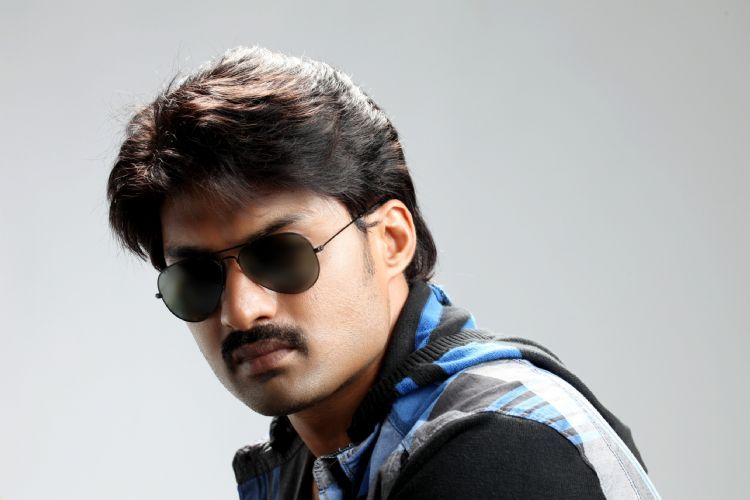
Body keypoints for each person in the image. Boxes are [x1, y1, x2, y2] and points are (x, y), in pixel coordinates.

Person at [107, 46, 660, 499]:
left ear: (391, 240)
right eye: (197, 278)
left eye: (279, 254)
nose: (241, 310)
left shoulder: (497, 454)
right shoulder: (316, 460)